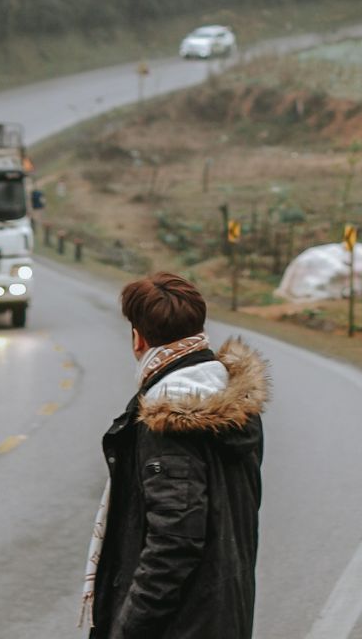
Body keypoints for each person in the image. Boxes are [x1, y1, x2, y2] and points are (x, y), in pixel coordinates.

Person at [80, 272, 270, 639]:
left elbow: (175, 541)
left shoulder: (168, 417)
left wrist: (128, 628)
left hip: (182, 625)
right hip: (224, 613)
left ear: (138, 337)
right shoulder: (228, 398)